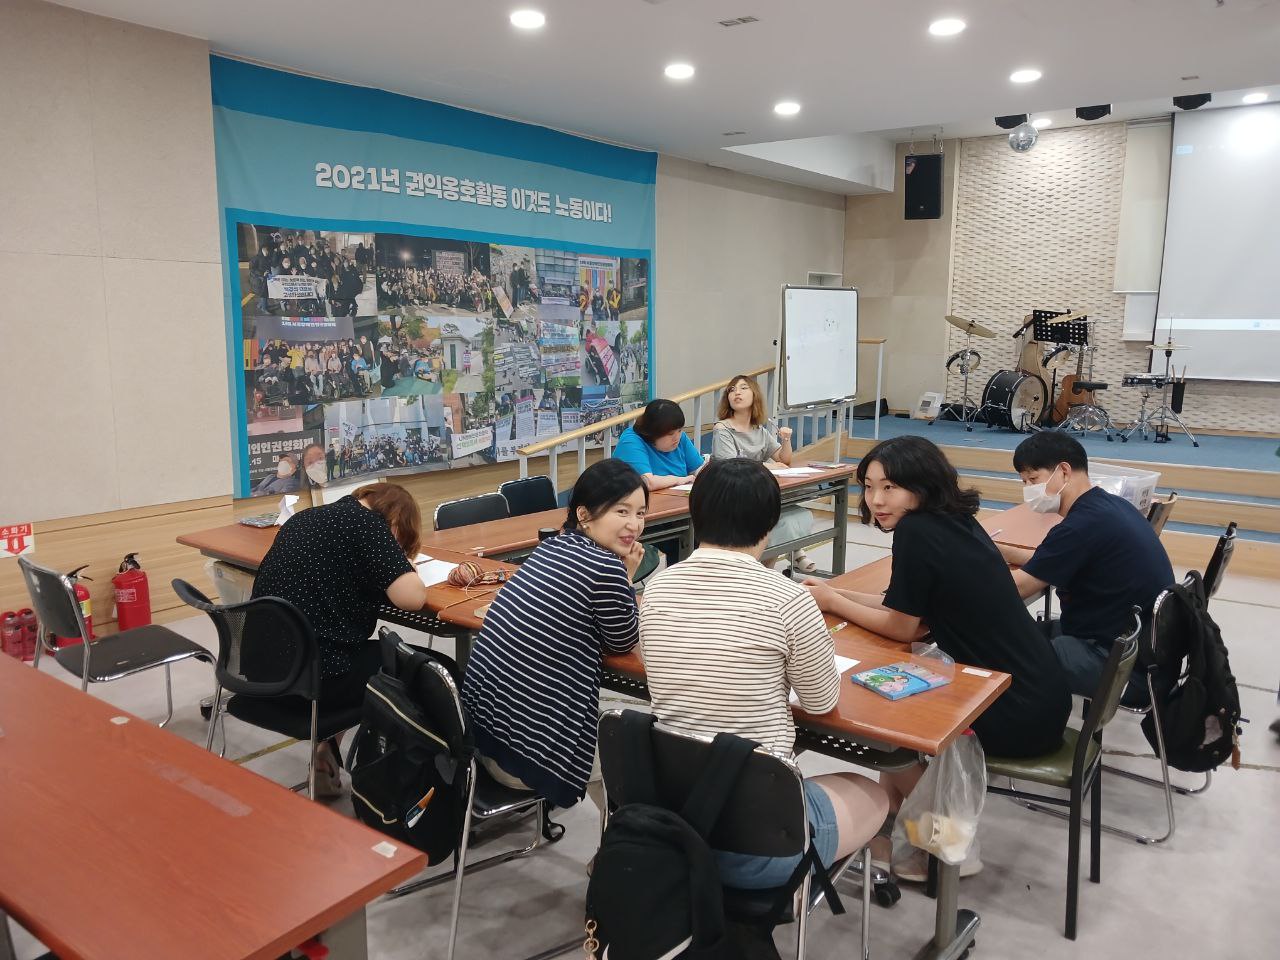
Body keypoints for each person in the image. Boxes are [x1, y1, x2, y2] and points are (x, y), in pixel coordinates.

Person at [803, 435, 1072, 877]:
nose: (875, 500)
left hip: (1013, 711)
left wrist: (832, 603)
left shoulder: (917, 531)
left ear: (921, 486)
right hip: (1041, 693)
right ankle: (901, 813)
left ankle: (944, 851)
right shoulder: (954, 520)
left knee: (890, 727)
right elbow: (909, 612)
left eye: (889, 487)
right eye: (868, 488)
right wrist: (836, 593)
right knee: (896, 701)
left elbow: (904, 627)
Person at [640, 458, 889, 889]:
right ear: (770, 522)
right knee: (873, 793)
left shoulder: (657, 588)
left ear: (694, 514)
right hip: (757, 840)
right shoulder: (789, 598)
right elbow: (821, 702)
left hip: (672, 818)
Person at [461, 460, 648, 809]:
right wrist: (626, 577)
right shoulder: (605, 567)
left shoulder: (552, 547)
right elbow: (623, 640)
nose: (634, 525)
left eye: (640, 513)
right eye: (622, 511)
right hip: (522, 755)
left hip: (480, 736)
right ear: (585, 515)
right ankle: (615, 851)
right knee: (634, 743)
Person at [246, 483, 428, 796]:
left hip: (261, 675)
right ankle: (420, 780)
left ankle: (325, 754)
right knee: (417, 666)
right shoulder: (369, 526)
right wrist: (404, 565)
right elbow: (412, 598)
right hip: (314, 681)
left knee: (350, 651)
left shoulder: (306, 518)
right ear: (396, 521)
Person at [998, 431, 1174, 706]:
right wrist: (1000, 551)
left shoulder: (1081, 525)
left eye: (1033, 479)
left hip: (1121, 667)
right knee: (1013, 634)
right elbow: (1054, 558)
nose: (1028, 490)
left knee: (1001, 651)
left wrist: (963, 575)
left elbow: (1017, 588)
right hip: (1142, 654)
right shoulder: (1108, 506)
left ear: (1064, 471)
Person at [712, 373, 816, 574]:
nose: (736, 393)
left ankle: (775, 565)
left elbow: (783, 460)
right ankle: (794, 554)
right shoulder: (722, 429)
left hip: (756, 493)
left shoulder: (758, 429)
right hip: (733, 496)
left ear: (754, 395)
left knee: (787, 513)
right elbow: (731, 466)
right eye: (732, 390)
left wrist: (786, 439)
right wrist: (766, 466)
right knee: (772, 517)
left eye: (743, 388)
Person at [612, 399, 704, 567]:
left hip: (678, 512)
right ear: (652, 432)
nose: (677, 437)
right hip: (639, 516)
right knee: (689, 540)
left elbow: (700, 470)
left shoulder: (679, 437)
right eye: (670, 433)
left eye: (679, 430)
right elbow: (647, 482)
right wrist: (680, 479)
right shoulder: (631, 440)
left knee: (704, 534)